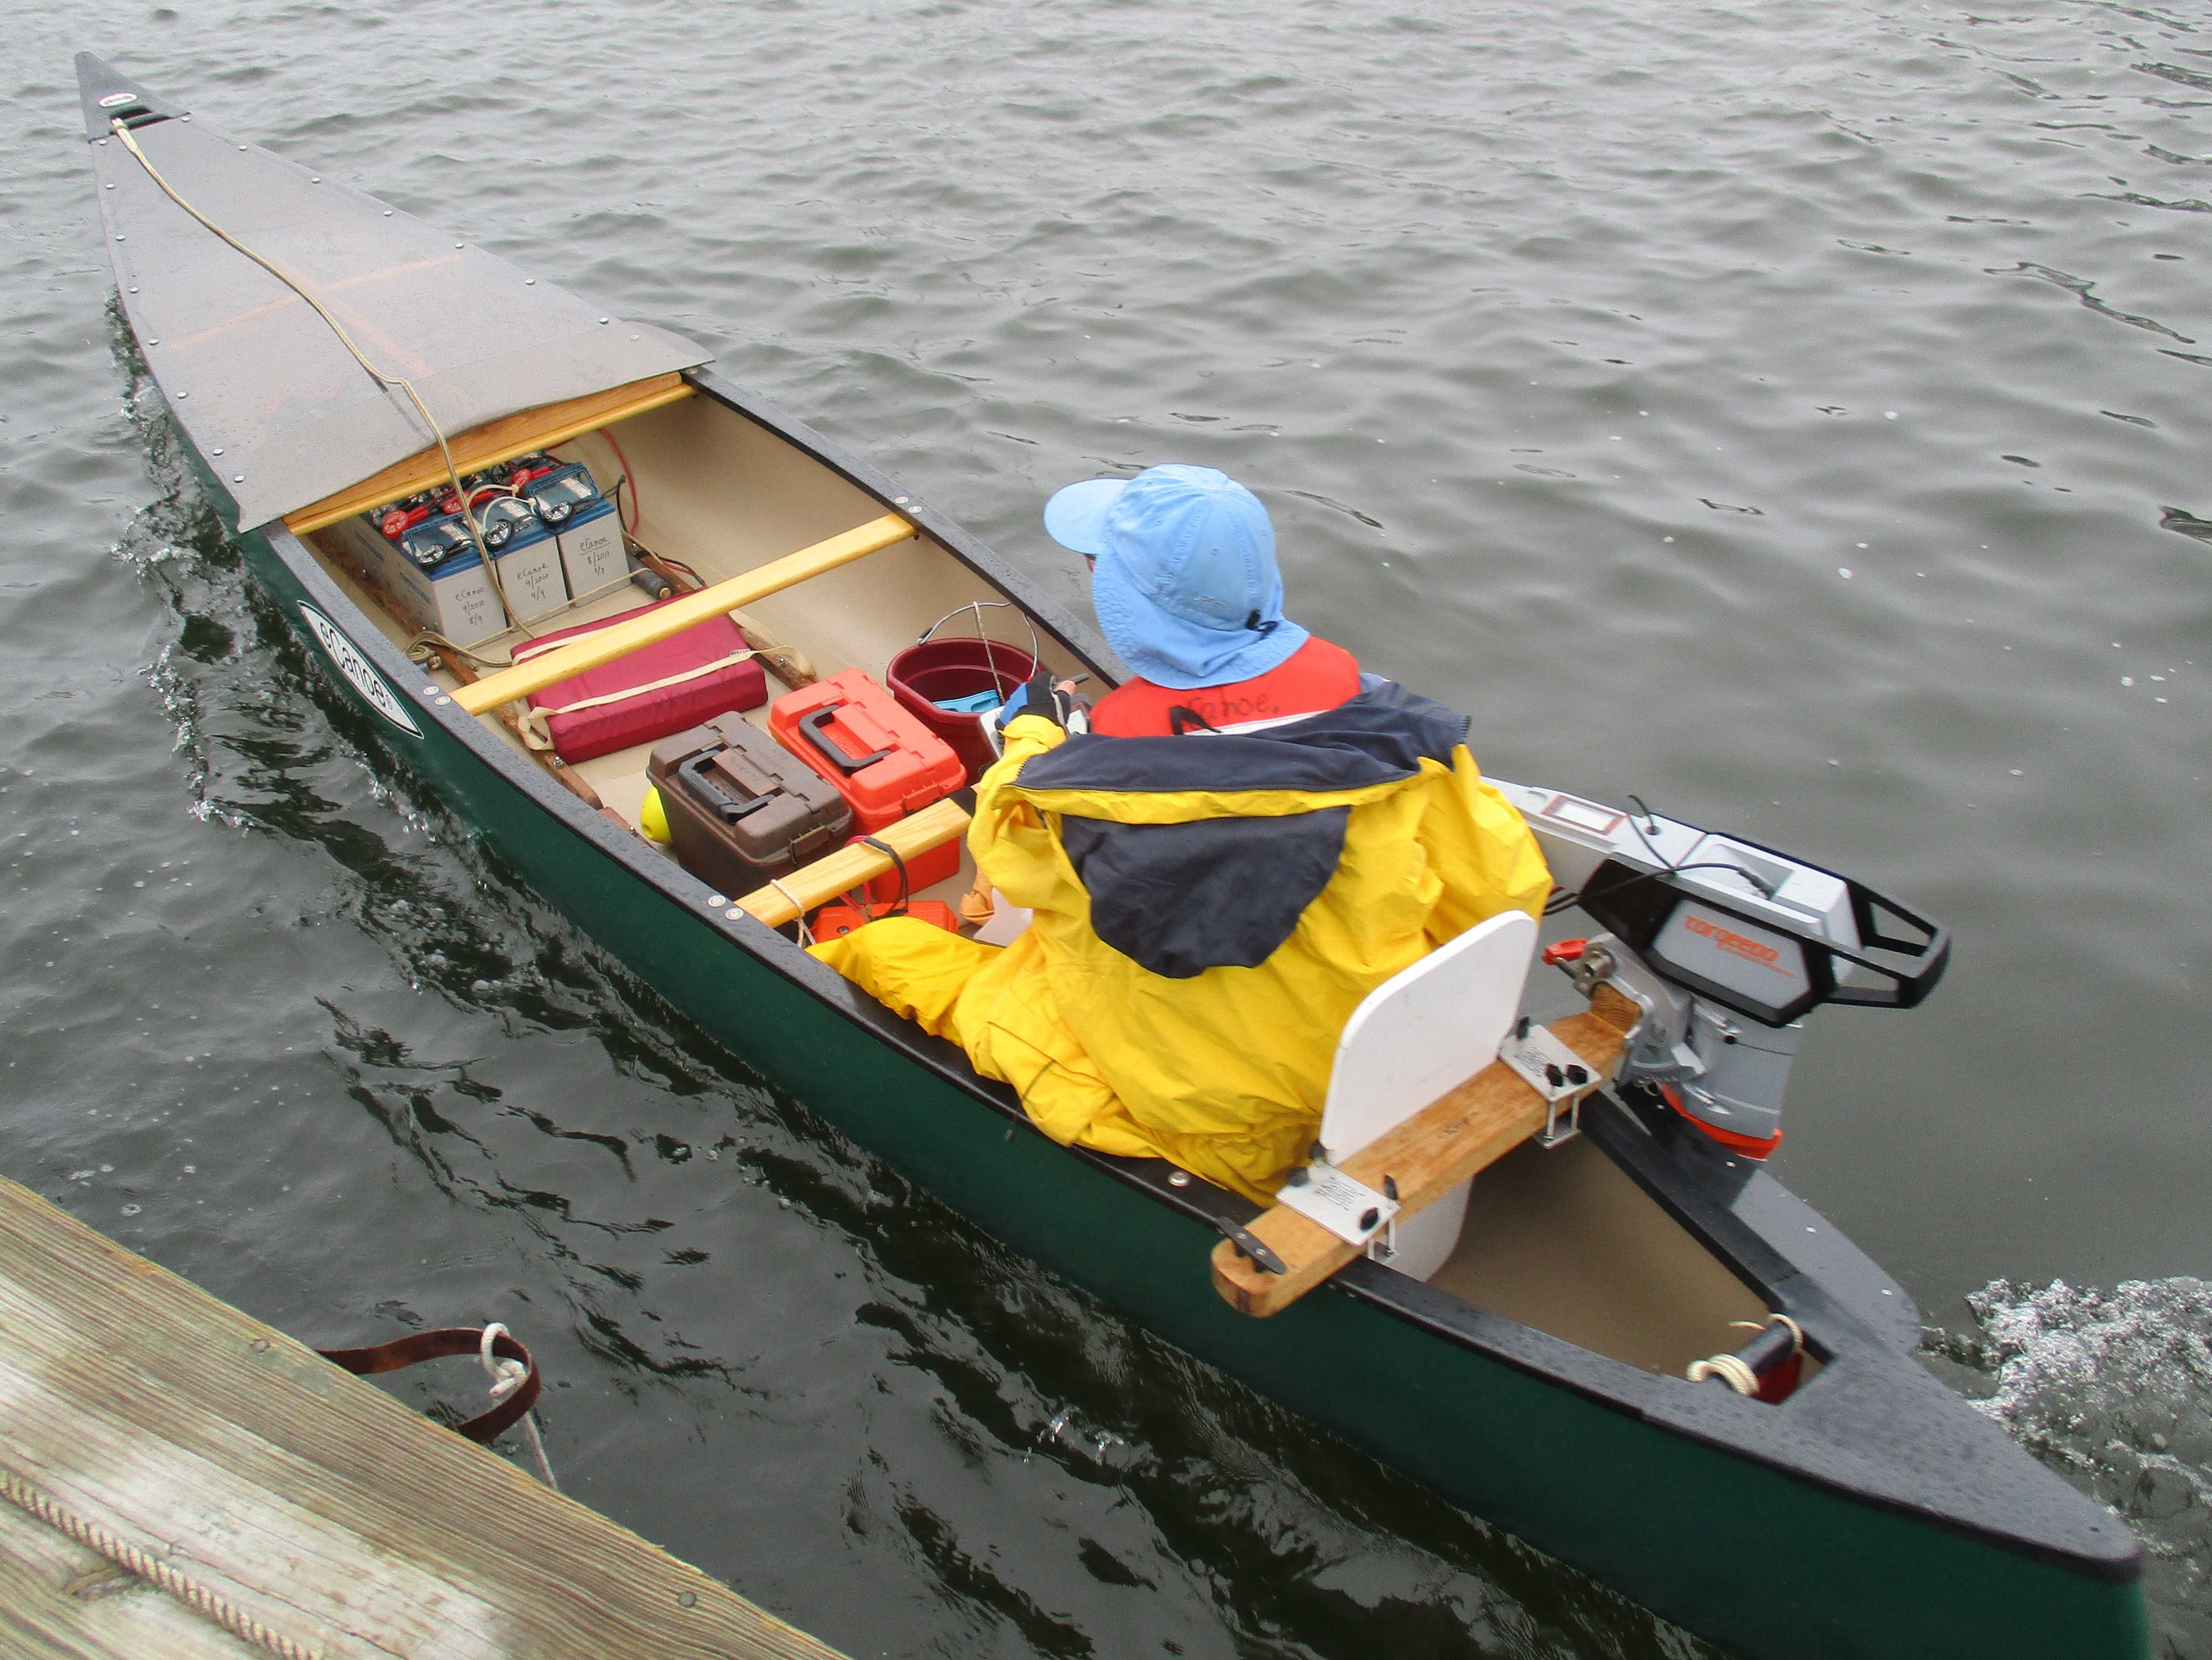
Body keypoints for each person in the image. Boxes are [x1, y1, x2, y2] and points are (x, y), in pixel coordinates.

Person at [811, 464, 1549, 1202]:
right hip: (1388, 1070)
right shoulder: (1405, 736)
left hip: (1217, 1128)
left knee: (880, 950)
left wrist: (1032, 729)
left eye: (1102, 568)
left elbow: (1008, 858)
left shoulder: (1070, 800)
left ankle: (812, 955)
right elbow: (1503, 891)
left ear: (1132, 603)